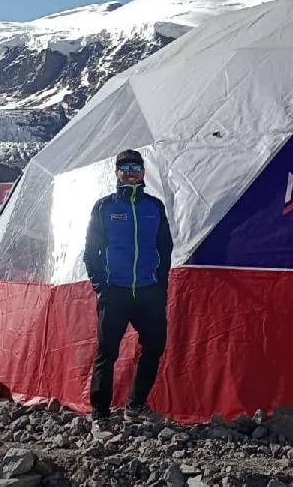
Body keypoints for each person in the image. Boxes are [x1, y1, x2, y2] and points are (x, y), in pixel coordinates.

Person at [83, 149, 173, 423]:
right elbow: (91, 252)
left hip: (148, 291)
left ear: (143, 172)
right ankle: (100, 415)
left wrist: (160, 286)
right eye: (125, 168)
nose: (131, 173)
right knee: (107, 352)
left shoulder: (154, 207)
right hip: (116, 291)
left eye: (136, 168)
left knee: (155, 346)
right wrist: (102, 287)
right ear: (117, 173)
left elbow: (165, 247)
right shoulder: (104, 207)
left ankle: (135, 405)